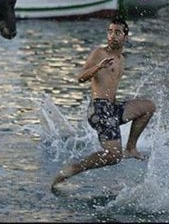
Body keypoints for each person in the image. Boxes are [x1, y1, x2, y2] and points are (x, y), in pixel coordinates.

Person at [51, 17, 156, 191]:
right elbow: (80, 77)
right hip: (99, 109)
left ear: (125, 37)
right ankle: (71, 170)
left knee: (148, 107)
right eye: (110, 31)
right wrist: (98, 67)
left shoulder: (121, 59)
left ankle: (131, 148)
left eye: (117, 32)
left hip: (112, 109)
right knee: (114, 156)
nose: (112, 35)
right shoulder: (99, 53)